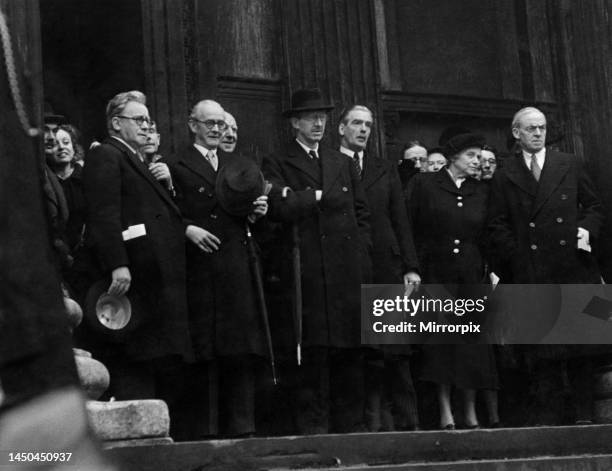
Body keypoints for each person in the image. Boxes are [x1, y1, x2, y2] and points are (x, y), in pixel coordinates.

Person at [81, 91, 192, 434]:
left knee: (155, 359)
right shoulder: (108, 156)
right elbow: (104, 215)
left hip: (156, 280)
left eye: (148, 120)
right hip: (136, 278)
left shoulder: (137, 160)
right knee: (137, 360)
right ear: (116, 123)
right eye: (138, 119)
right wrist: (117, 263)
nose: (146, 126)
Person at [262, 89, 372, 434]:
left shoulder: (341, 161)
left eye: (323, 117)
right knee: (313, 357)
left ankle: (351, 432)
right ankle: (316, 436)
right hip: (305, 273)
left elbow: (361, 213)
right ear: (295, 122)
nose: (319, 123)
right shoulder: (277, 161)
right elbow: (279, 206)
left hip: (344, 273)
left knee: (349, 354)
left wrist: (359, 256)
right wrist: (319, 196)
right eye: (311, 117)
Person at [487, 106, 604, 425]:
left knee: (581, 345)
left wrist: (586, 228)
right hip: (531, 270)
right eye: (531, 129)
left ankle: (583, 414)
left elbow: (594, 206)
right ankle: (550, 420)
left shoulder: (569, 163)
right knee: (542, 350)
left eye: (542, 128)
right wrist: (518, 256)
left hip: (572, 266)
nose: (538, 133)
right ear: (516, 133)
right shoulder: (504, 174)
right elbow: (497, 224)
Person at [170, 99, 268, 438]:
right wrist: (186, 228)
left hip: (235, 267)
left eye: (220, 124)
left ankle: (243, 429)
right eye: (209, 123)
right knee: (205, 349)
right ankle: (204, 432)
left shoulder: (238, 165)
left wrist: (257, 211)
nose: (216, 129)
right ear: (192, 125)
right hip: (199, 268)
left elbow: (248, 214)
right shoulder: (175, 164)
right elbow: (161, 213)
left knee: (239, 348)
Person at [406, 133, 499, 430]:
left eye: (480, 156)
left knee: (472, 344)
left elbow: (490, 234)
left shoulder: (482, 191)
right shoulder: (424, 185)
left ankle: (470, 410)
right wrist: (412, 267)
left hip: (472, 275)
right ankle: (445, 410)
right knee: (441, 343)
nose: (477, 162)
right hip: (436, 272)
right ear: (453, 157)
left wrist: (492, 269)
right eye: (472, 156)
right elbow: (409, 227)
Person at [338, 104, 421, 431]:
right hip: (349, 267)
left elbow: (400, 218)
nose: (363, 130)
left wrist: (411, 267)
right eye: (356, 123)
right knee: (360, 352)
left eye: (368, 125)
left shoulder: (383, 168)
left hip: (386, 265)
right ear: (341, 128)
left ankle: (408, 424)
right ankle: (365, 427)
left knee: (395, 351)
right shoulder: (331, 164)